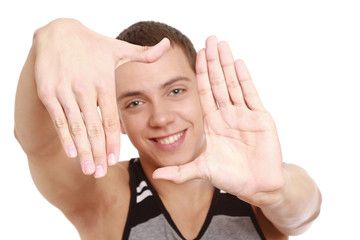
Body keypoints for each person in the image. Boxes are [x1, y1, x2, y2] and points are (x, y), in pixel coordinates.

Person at [14, 18, 321, 240]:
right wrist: (52, 36)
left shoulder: (253, 178)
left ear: (204, 92)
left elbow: (305, 211)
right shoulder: (105, 198)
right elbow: (38, 144)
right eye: (135, 102)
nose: (160, 118)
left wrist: (275, 192)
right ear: (117, 116)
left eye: (175, 91)